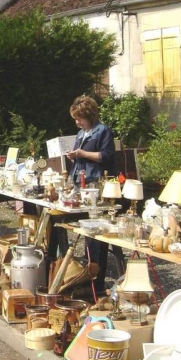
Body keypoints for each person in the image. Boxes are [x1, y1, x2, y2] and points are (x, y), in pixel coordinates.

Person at [65, 95, 116, 293]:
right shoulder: (81, 133)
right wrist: (73, 157)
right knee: (85, 229)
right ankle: (86, 274)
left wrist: (82, 154)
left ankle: (97, 281)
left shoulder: (102, 131)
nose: (77, 122)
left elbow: (106, 156)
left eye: (79, 118)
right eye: (75, 118)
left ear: (89, 115)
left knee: (95, 231)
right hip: (80, 182)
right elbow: (80, 158)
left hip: (96, 185)